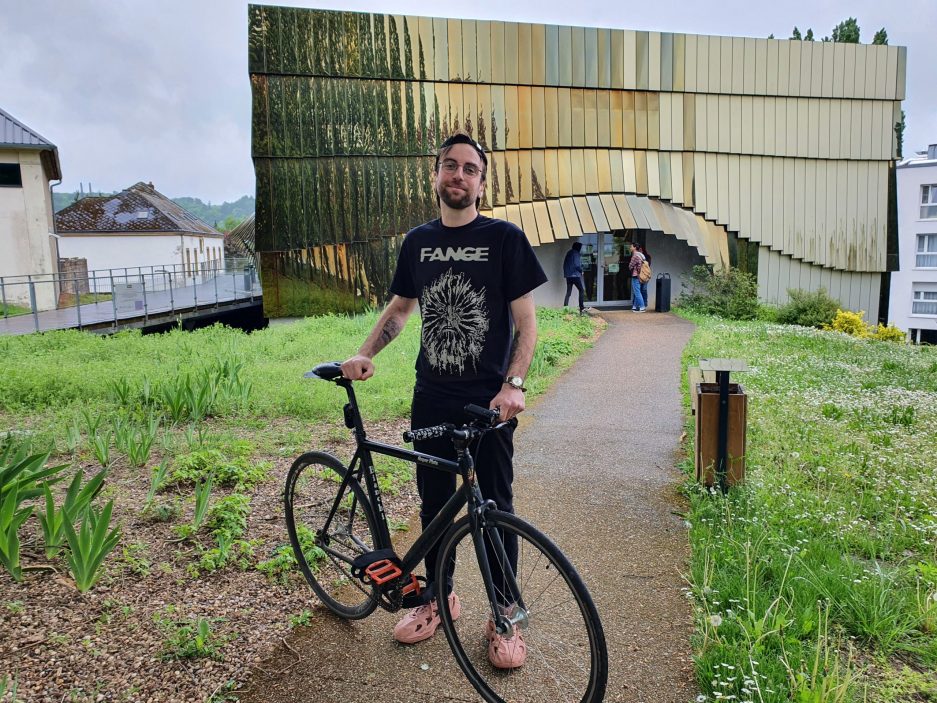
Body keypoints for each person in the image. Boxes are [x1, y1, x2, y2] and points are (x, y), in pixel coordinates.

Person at [340, 132, 547, 669]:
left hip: (488, 403)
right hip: (431, 396)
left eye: (470, 168)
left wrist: (514, 384)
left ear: (482, 182)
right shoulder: (418, 242)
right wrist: (364, 352)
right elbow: (400, 309)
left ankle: (504, 614)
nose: (459, 175)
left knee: (494, 509)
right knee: (434, 507)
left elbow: (526, 323)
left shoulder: (504, 239)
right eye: (450, 166)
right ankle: (438, 597)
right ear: (435, 175)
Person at [562, 241, 586, 313]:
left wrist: (567, 274)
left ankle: (565, 308)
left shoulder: (569, 252)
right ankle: (581, 308)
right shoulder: (576, 253)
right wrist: (581, 271)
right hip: (575, 275)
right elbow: (577, 265)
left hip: (568, 276)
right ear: (578, 247)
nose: (580, 249)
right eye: (580, 247)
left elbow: (564, 264)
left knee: (568, 292)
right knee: (581, 290)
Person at [628, 243, 647, 312]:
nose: (630, 248)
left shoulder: (635, 255)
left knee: (637, 292)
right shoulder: (641, 255)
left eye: (631, 246)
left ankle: (642, 307)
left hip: (636, 275)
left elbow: (630, 266)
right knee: (637, 291)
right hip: (641, 275)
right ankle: (635, 306)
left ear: (635, 248)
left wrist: (632, 268)